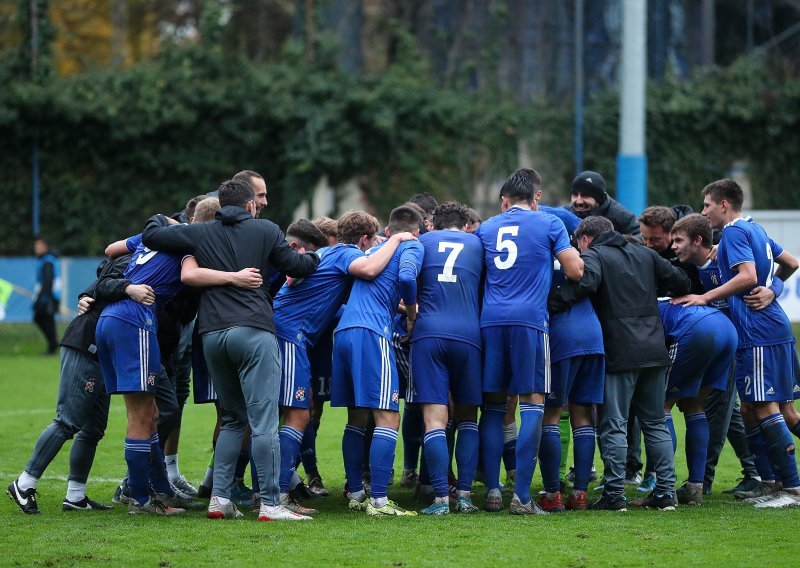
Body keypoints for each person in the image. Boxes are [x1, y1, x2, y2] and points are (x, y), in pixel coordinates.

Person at [142, 178, 320, 521]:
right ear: (251, 205)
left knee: (232, 419)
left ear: (221, 207)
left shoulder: (200, 232)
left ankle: (219, 499)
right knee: (263, 421)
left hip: (212, 336)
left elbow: (151, 235)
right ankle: (270, 503)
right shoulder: (266, 229)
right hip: (253, 331)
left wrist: (161, 218)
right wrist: (314, 256)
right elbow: (295, 267)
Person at [273, 212, 413, 515]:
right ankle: (280, 495)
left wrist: (401, 307)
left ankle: (334, 490)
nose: (375, 245)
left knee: (304, 412)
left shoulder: (323, 252)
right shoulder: (347, 253)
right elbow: (371, 269)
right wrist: (398, 239)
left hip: (287, 330)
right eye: (373, 240)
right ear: (364, 239)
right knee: (299, 415)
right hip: (290, 334)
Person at [673, 179, 800, 509]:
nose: (704, 211)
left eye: (706, 205)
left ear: (724, 204)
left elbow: (746, 276)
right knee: (759, 410)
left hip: (758, 331)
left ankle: (792, 487)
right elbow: (790, 263)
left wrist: (705, 297)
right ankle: (771, 480)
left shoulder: (733, 232)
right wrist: (774, 288)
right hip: (772, 328)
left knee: (764, 407)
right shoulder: (755, 228)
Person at [549, 215, 691, 511]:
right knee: (654, 422)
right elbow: (680, 281)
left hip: (620, 350)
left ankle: (614, 494)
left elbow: (585, 284)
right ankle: (666, 492)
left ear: (585, 239)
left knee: (613, 423)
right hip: (653, 349)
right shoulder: (645, 253)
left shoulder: (595, 255)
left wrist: (551, 303)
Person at [7, 254, 153, 514]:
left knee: (94, 429)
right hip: (86, 344)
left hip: (104, 353)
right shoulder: (137, 257)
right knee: (67, 420)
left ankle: (75, 496)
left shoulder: (149, 261)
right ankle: (23, 483)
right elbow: (104, 277)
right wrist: (104, 292)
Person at [476, 168, 584, 515]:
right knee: (532, 404)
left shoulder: (487, 227)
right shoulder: (550, 223)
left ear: (504, 201)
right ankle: (521, 497)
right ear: (535, 197)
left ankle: (493, 490)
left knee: (494, 407)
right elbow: (575, 271)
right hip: (529, 323)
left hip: (490, 321)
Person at [332, 205, 424, 517]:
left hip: (344, 332)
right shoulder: (411, 244)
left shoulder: (374, 250)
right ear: (417, 231)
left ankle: (356, 492)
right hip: (373, 334)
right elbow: (408, 279)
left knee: (356, 418)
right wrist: (412, 316)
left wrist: (397, 308)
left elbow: (377, 290)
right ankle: (381, 502)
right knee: (388, 417)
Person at [669, 213, 764, 495]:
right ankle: (755, 472)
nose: (672, 247)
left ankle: (704, 481)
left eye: (677, 240)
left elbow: (772, 269)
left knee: (722, 411)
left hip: (736, 342)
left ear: (697, 240)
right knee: (733, 412)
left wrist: (773, 289)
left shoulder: (727, 250)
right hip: (721, 341)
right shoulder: (687, 266)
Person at [408, 201, 484, 515]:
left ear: (432, 224)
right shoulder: (477, 243)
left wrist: (412, 315)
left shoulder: (422, 242)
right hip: (469, 334)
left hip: (429, 334)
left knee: (434, 420)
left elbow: (405, 277)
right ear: (465, 223)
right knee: (468, 418)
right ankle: (465, 496)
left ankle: (440, 498)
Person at [657, 299, 737, 505]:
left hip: (696, 330)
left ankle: (664, 489)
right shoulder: (665, 304)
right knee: (695, 407)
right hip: (728, 330)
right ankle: (695, 488)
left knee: (660, 408)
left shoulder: (643, 312)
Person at [566, 171, 640, 236]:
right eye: (575, 194)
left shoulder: (622, 217)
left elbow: (641, 239)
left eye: (585, 195)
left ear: (599, 199)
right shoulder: (565, 214)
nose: (579, 201)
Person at [32, 236, 61, 355]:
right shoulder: (46, 260)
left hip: (48, 297)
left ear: (45, 247)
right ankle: (53, 345)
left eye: (38, 246)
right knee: (45, 320)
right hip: (48, 296)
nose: (36, 249)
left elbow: (47, 281)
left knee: (44, 319)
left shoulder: (47, 261)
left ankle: (53, 345)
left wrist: (40, 299)